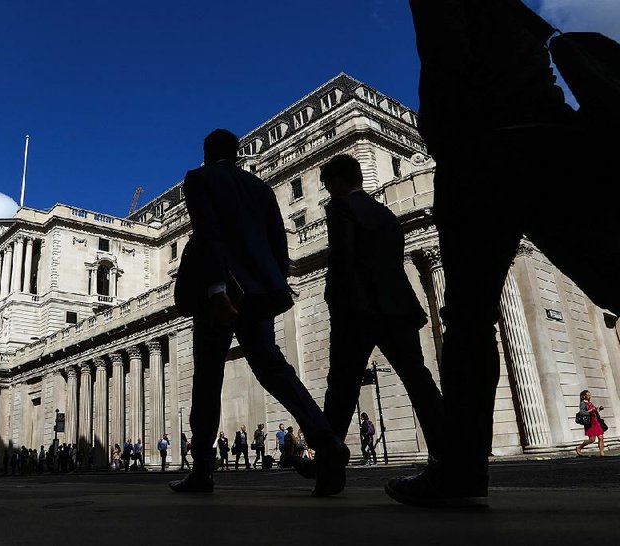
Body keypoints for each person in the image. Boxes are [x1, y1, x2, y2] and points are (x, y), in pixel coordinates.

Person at [389, 0, 620, 508]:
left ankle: (462, 477)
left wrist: (444, 145)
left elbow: (446, 62)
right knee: (612, 276)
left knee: (468, 323)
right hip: (551, 143)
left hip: (483, 155)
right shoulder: (515, 10)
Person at [169, 129, 349, 495]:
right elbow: (278, 244)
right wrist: (274, 284)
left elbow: (208, 234)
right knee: (274, 368)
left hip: (219, 292)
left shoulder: (199, 179)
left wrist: (218, 288)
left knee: (207, 381)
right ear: (236, 154)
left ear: (206, 154)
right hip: (259, 291)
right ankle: (324, 437)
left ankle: (202, 470)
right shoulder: (261, 188)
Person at [319, 153, 443, 454]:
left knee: (341, 388)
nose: (327, 192)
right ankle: (448, 451)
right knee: (419, 380)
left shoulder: (340, 207)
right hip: (398, 307)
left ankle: (327, 463)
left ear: (337, 182)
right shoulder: (385, 214)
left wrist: (334, 299)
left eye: (327, 185)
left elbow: (343, 258)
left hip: (358, 310)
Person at [576, 390, 607, 457]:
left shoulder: (590, 403)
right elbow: (582, 412)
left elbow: (595, 410)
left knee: (601, 437)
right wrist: (590, 411)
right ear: (584, 396)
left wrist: (599, 409)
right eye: (588, 395)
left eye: (590, 395)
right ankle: (579, 447)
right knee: (592, 440)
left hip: (596, 422)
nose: (590, 396)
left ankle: (602, 453)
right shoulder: (582, 403)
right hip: (590, 423)